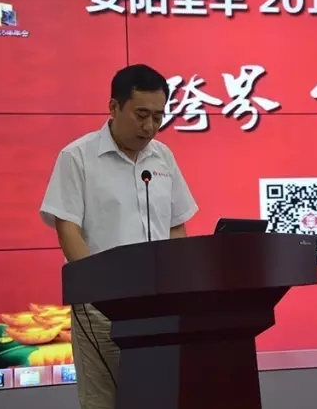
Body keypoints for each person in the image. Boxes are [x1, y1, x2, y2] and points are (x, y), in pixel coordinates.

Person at [39, 64, 198, 409]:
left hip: (158, 304)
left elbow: (176, 224)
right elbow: (68, 228)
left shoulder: (163, 157)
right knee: (105, 401)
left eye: (158, 117)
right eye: (141, 115)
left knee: (159, 398)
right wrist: (100, 291)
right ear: (113, 107)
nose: (149, 127)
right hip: (101, 308)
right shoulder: (77, 157)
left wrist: (181, 284)